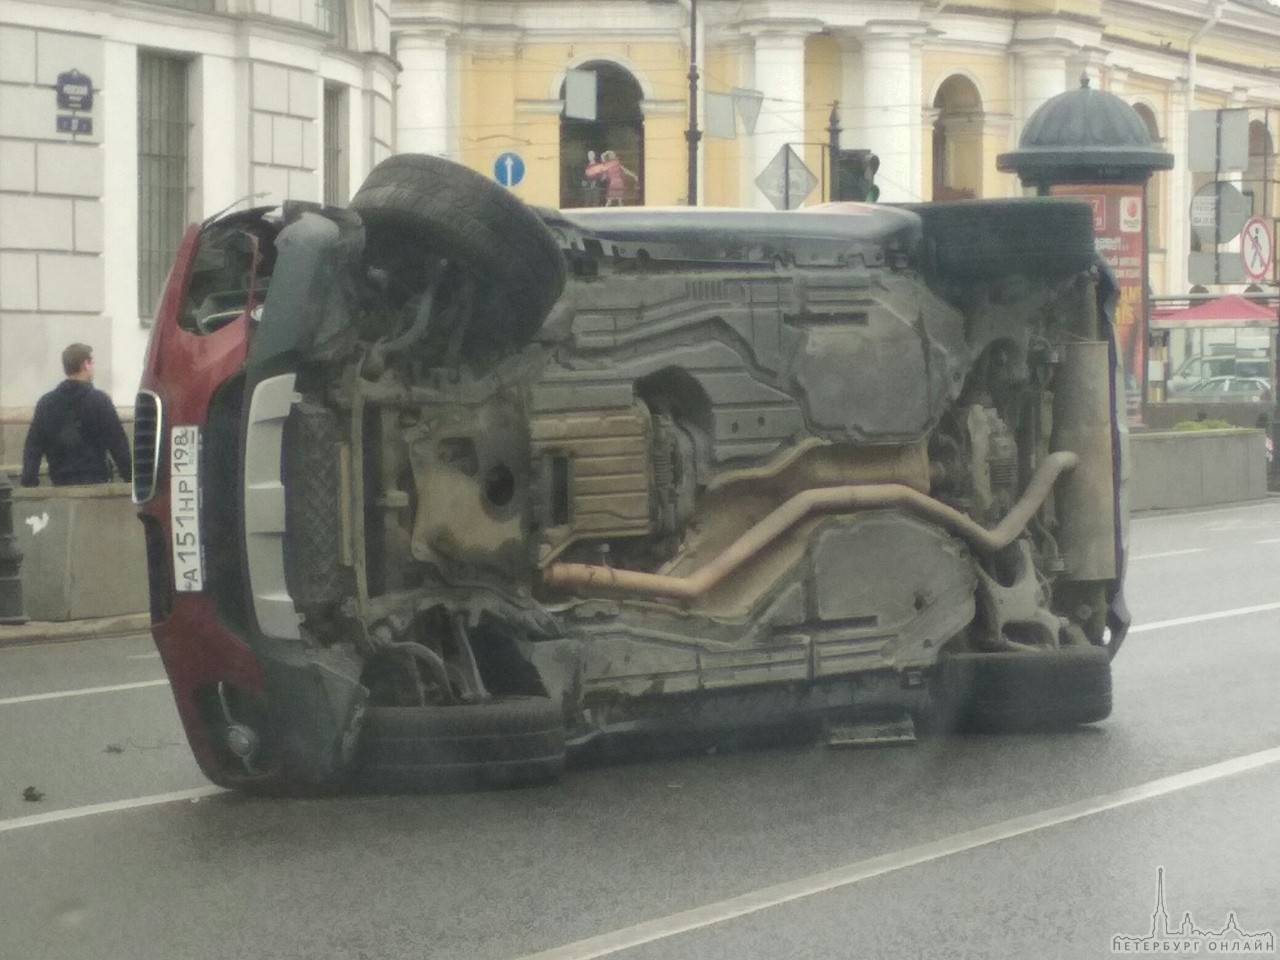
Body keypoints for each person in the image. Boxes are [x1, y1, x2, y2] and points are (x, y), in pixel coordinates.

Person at [21, 343, 132, 487]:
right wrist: (129, 476)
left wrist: (29, 481)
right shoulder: (99, 401)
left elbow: (33, 446)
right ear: (86, 364)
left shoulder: (46, 403)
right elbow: (117, 442)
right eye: (92, 363)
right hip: (95, 480)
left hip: (60, 481)